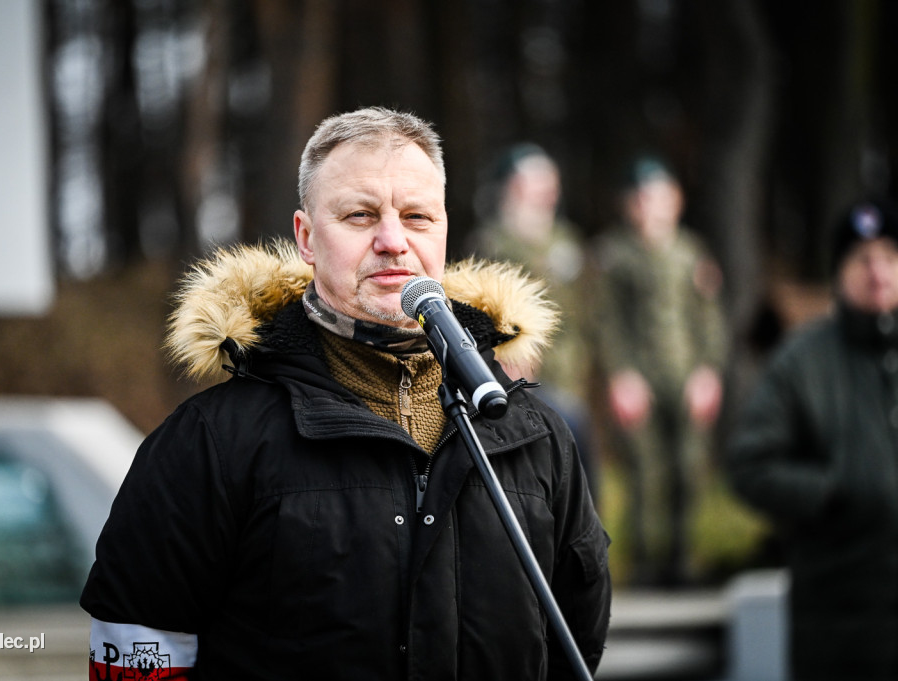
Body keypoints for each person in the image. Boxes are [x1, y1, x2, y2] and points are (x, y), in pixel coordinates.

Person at [80, 107, 611, 680]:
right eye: (360, 215)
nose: (393, 241)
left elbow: (576, 639)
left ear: (444, 230)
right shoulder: (211, 441)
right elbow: (137, 647)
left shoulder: (535, 433)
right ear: (307, 237)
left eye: (417, 216)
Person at [727, 197, 898, 681]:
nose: (878, 271)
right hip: (839, 624)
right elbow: (749, 465)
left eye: (889, 257)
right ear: (840, 273)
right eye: (862, 259)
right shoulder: (802, 362)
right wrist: (832, 491)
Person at [591, 156, 728, 586]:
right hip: (639, 377)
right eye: (641, 199)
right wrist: (621, 376)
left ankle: (683, 561)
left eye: (659, 197)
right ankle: (648, 566)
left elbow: (708, 318)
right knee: (645, 471)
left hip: (686, 375)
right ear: (628, 205)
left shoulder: (691, 253)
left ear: (676, 201)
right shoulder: (616, 255)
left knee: (688, 467)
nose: (650, 207)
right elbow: (607, 321)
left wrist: (709, 371)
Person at [467, 144, 597, 501]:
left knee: (576, 454)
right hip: (517, 376)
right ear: (512, 189)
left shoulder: (567, 242)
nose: (546, 193)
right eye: (534, 184)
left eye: (549, 184)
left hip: (566, 371)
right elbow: (479, 314)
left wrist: (578, 364)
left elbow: (583, 313)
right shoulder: (491, 243)